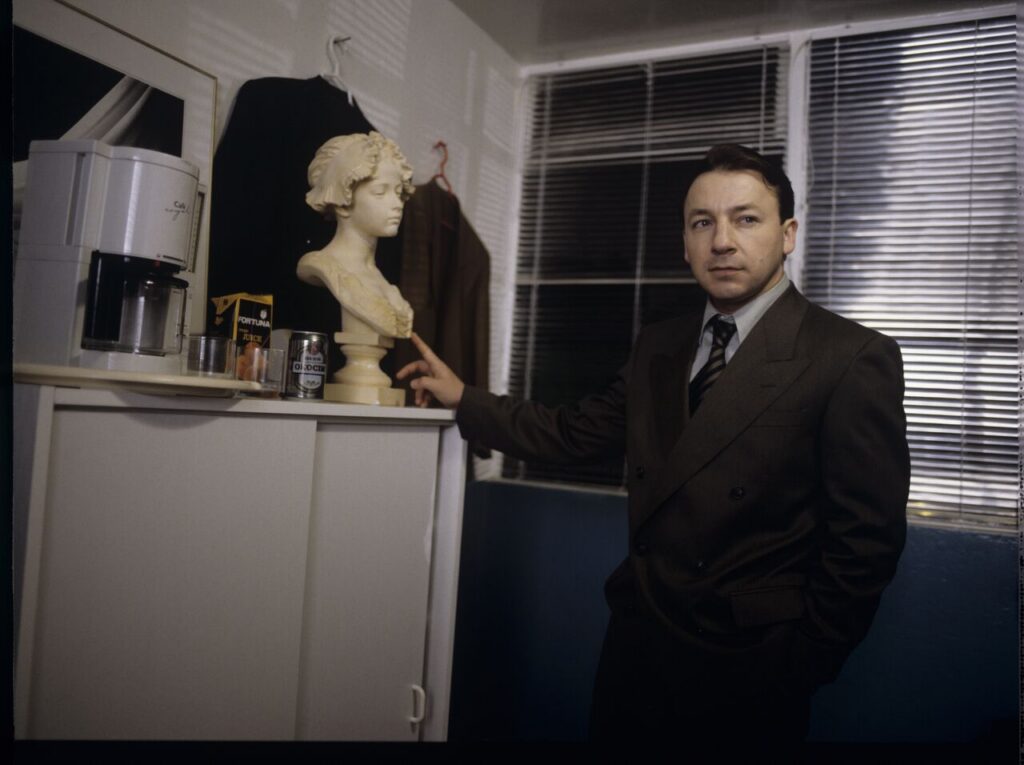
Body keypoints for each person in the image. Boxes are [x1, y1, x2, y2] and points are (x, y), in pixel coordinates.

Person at [397, 144, 910, 751]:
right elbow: (574, 432)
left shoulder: (848, 356)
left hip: (748, 673)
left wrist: (797, 668)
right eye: (703, 223)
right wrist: (466, 398)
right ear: (685, 243)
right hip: (636, 650)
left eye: (746, 218)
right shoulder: (660, 345)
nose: (722, 240)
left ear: (788, 233)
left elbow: (865, 545)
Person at [297, 131, 416, 338]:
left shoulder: (382, 282)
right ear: (343, 200)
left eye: (398, 193)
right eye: (380, 192)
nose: (397, 204)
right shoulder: (323, 265)